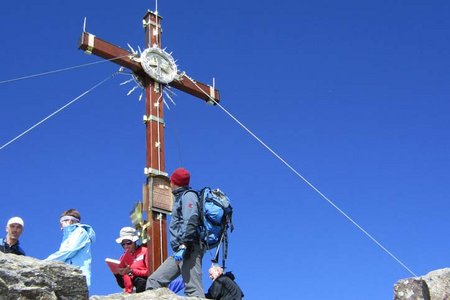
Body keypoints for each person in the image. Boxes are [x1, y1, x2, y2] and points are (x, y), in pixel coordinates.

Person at [146, 167, 204, 297]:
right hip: (180, 251)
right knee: (154, 280)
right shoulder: (180, 197)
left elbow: (192, 219)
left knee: (193, 290)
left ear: (174, 182)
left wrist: (184, 245)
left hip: (189, 248)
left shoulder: (189, 196)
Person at [113, 227, 184, 294]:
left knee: (140, 281)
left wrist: (132, 271)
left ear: (134, 241)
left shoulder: (145, 251)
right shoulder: (122, 257)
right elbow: (122, 283)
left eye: (128, 243)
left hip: (143, 284)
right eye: (123, 244)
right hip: (128, 286)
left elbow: (150, 272)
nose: (126, 246)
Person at [45, 209, 96, 287]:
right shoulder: (67, 237)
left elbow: (69, 251)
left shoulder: (80, 232)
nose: (61, 225)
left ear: (69, 221)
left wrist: (45, 262)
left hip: (79, 277)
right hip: (69, 276)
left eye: (62, 221)